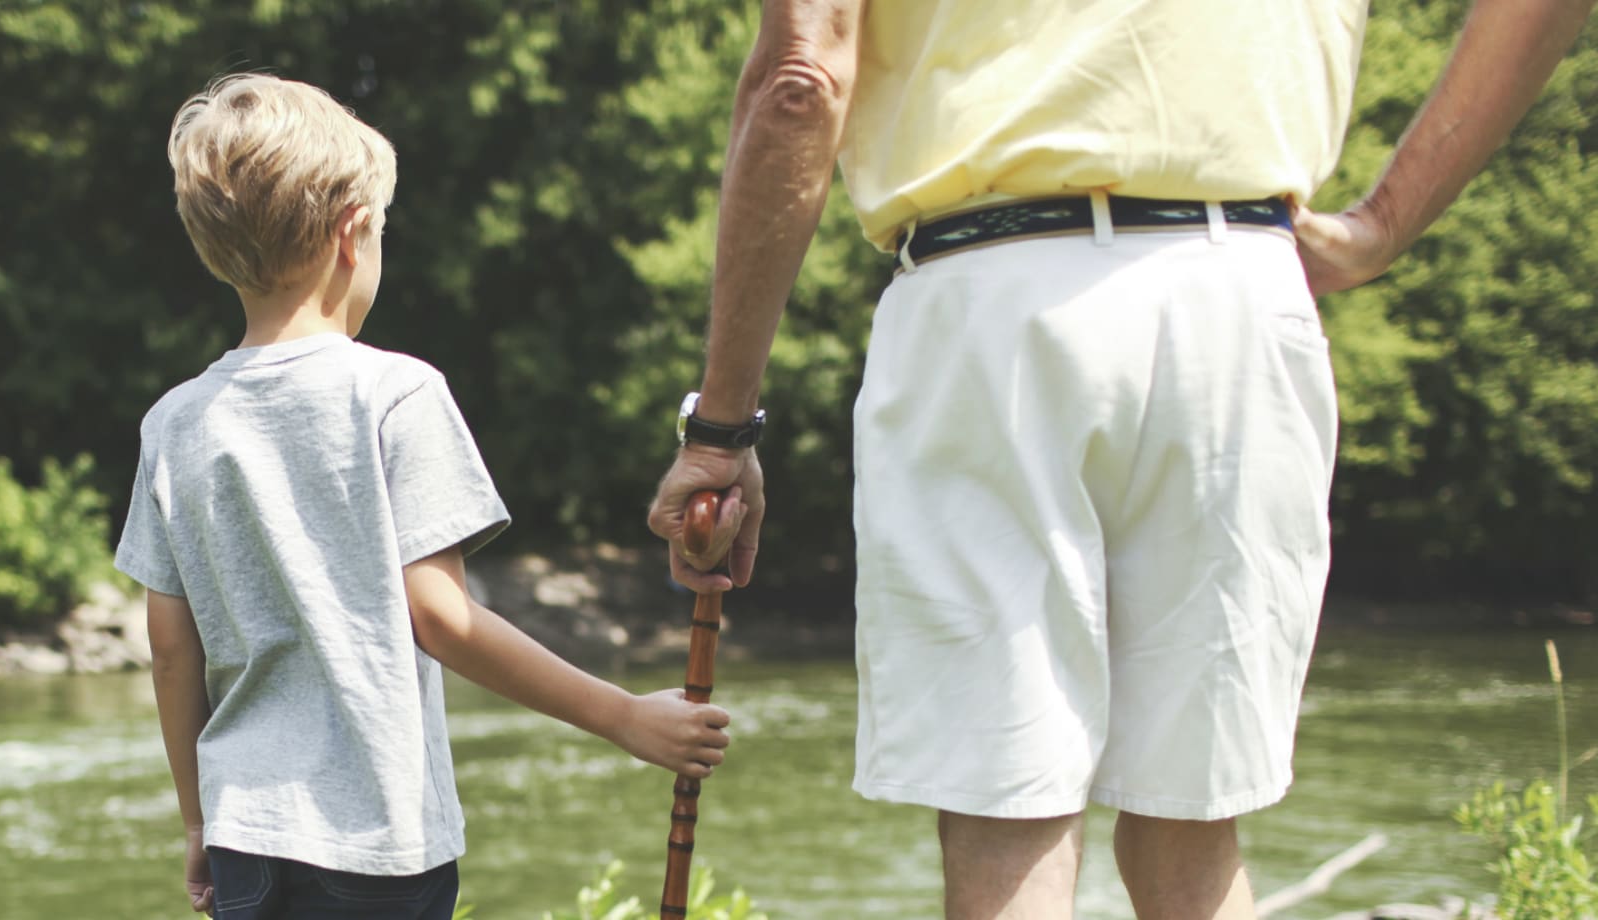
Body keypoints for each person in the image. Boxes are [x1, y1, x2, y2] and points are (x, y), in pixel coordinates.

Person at [646, 1, 1596, 917]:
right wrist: (1387, 220)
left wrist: (722, 426)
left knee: (1006, 824)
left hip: (989, 297)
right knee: (1194, 836)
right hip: (1241, 289)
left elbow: (802, 83)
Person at [118, 74, 733, 920]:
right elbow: (441, 618)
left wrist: (197, 821)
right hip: (375, 842)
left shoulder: (173, 425)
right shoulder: (396, 394)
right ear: (352, 235)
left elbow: (170, 648)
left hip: (243, 835)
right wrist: (624, 717)